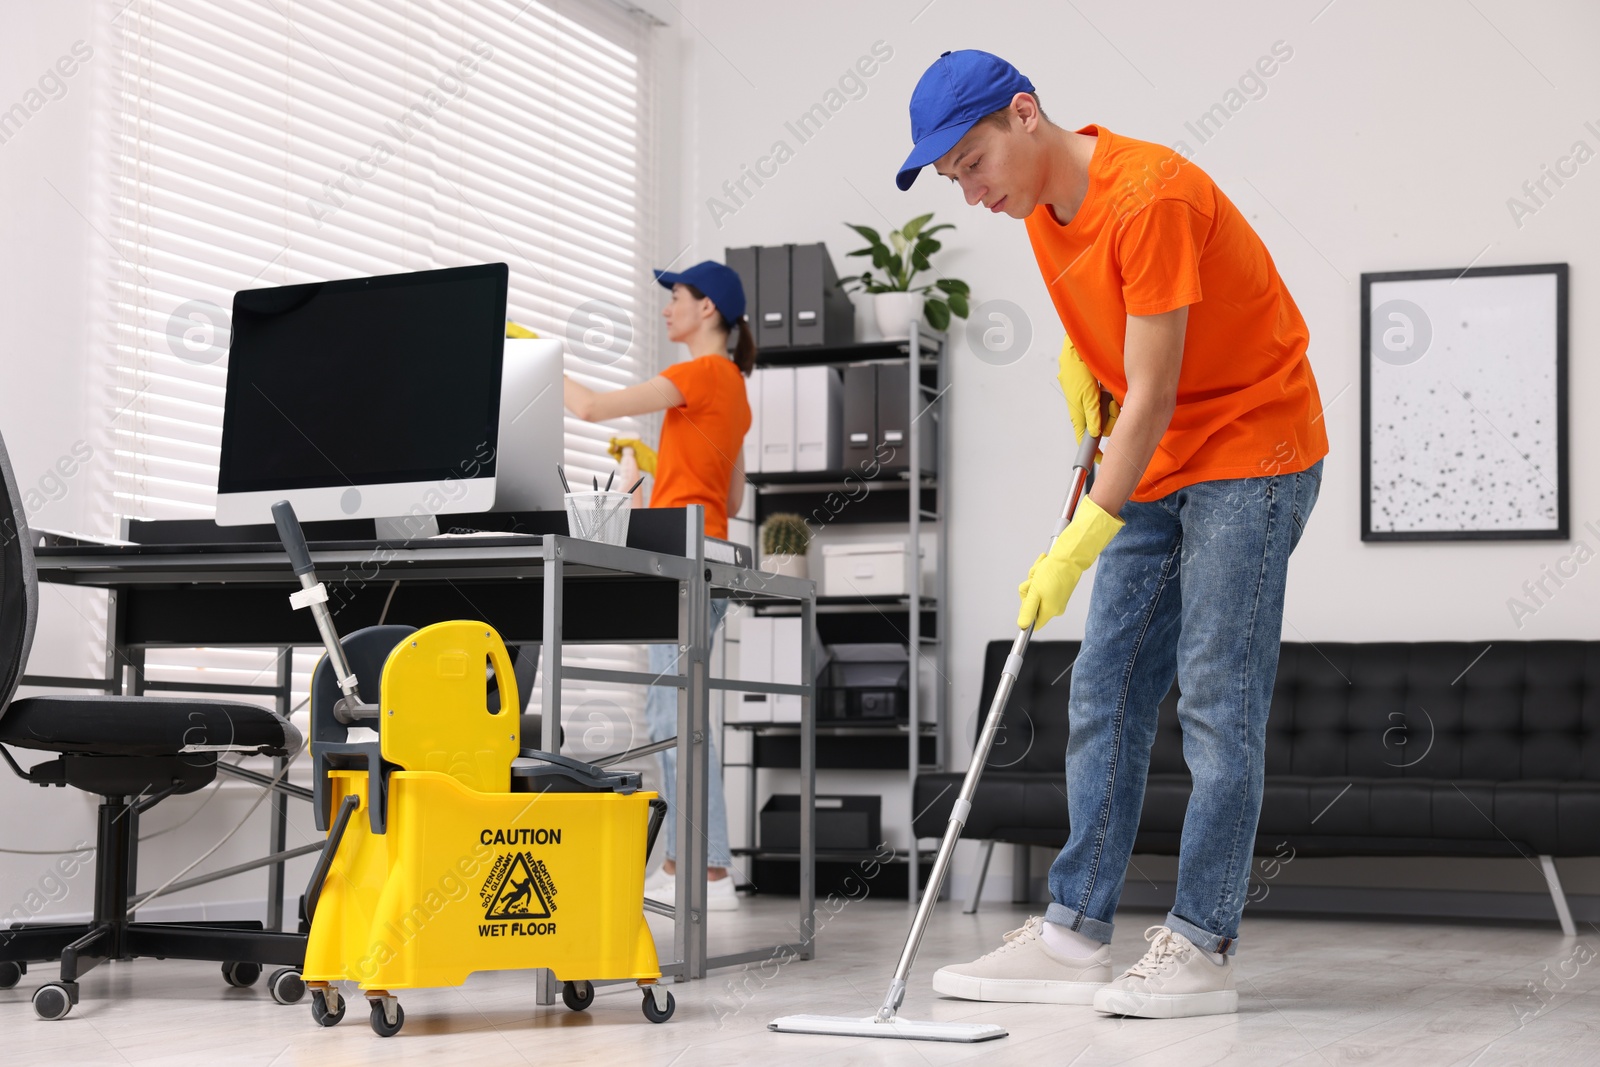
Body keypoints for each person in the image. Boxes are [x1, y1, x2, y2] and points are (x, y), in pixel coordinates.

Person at [896, 50, 1327, 1018]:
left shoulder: (1152, 195)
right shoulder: (1041, 208)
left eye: (970, 162)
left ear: (1024, 114)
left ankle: (1201, 942)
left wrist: (1076, 542)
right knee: (1103, 689)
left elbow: (1162, 389)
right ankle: (1069, 932)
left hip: (1253, 450)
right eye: (950, 175)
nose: (967, 192)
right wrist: (1082, 362)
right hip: (1161, 455)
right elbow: (1132, 343)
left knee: (1215, 696)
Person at [563, 259, 754, 911]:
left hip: (685, 555)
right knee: (680, 711)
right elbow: (731, 489)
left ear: (708, 310)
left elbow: (588, 405)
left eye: (676, 297)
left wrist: (537, 357)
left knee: (674, 714)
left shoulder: (697, 373)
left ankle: (704, 871)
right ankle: (693, 864)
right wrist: (661, 467)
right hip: (713, 546)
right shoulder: (733, 385)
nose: (667, 309)